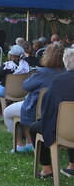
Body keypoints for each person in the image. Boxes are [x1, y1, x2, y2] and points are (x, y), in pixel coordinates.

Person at [3, 43, 65, 153]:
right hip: (59, 110)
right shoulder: (65, 73)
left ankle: (19, 144)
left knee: (7, 112)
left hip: (37, 107)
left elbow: (26, 86)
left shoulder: (42, 72)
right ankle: (29, 142)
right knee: (22, 110)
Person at [29, 48, 74, 179]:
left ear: (66, 63)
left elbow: (48, 106)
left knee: (35, 127)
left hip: (64, 130)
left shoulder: (59, 80)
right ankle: (72, 166)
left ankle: (47, 169)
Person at [0, 45, 30, 117]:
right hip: (23, 92)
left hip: (7, 91)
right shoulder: (26, 66)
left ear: (11, 55)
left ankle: (1, 113)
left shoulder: (6, 66)